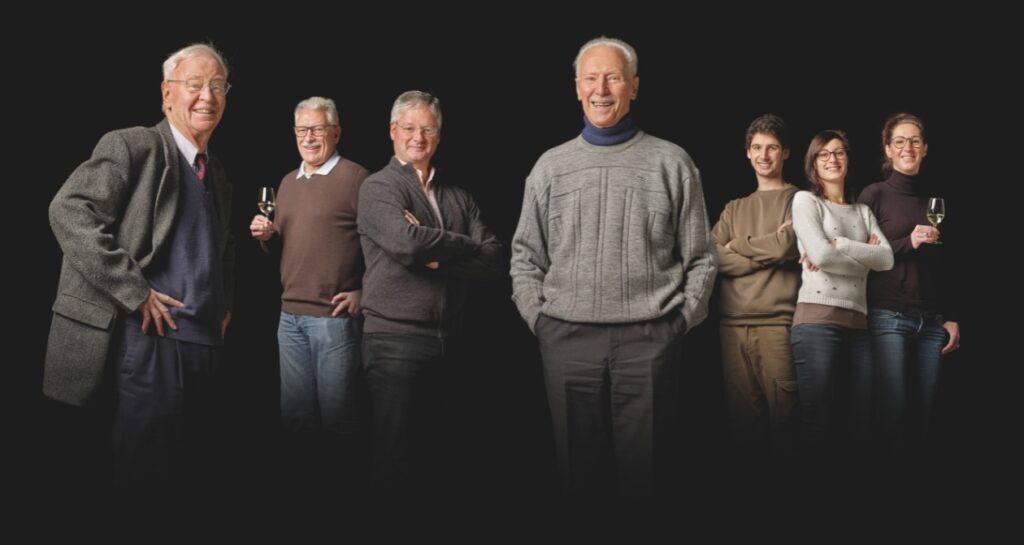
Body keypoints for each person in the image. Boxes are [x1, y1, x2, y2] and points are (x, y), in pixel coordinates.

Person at [510, 37, 717, 497]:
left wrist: (679, 322)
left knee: (647, 477)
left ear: (634, 87)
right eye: (590, 78)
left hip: (649, 339)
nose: (601, 89)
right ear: (576, 88)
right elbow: (524, 255)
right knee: (577, 479)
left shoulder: (672, 162)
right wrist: (539, 320)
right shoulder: (550, 167)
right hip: (565, 339)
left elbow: (701, 257)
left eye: (613, 77)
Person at [44, 43, 235, 483]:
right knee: (146, 471)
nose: (208, 96)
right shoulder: (135, 145)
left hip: (206, 342)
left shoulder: (218, 172)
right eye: (194, 85)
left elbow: (222, 247)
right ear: (167, 93)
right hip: (152, 340)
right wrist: (135, 291)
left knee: (195, 470)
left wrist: (226, 305)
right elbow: (68, 210)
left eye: (218, 86)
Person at [357, 90, 503, 494]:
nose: (418, 137)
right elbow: (406, 245)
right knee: (394, 459)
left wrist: (436, 252)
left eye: (427, 129)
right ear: (393, 132)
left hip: (452, 340)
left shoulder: (458, 195)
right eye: (409, 128)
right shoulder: (378, 188)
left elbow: (493, 258)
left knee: (443, 456)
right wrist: (459, 243)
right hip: (394, 342)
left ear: (438, 136)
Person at [250, 97, 370, 477]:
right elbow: (288, 247)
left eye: (318, 128)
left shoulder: (357, 179)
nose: (309, 137)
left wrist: (364, 293)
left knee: (339, 423)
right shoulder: (288, 181)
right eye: (302, 129)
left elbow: (384, 245)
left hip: (334, 322)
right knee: (296, 423)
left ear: (336, 132)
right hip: (290, 320)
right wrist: (265, 235)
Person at [857, 113, 960, 452]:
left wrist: (950, 316)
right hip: (889, 317)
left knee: (925, 418)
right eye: (899, 141)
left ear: (925, 149)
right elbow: (859, 255)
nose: (908, 147)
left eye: (915, 141)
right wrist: (907, 243)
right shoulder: (874, 195)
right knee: (892, 417)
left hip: (931, 323)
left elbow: (946, 266)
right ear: (888, 150)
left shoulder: (934, 201)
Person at [790, 129, 893, 454]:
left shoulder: (863, 212)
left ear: (848, 159)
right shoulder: (806, 201)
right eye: (824, 154)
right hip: (816, 324)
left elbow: (887, 258)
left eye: (839, 152)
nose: (832, 159)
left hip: (859, 329)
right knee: (818, 422)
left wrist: (844, 245)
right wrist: (865, 255)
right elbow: (820, 256)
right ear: (813, 163)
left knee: (860, 423)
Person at [712, 114, 800, 456]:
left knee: (786, 425)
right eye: (757, 148)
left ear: (786, 153)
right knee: (744, 430)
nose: (764, 156)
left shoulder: (799, 201)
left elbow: (788, 246)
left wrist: (737, 246)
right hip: (731, 328)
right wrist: (770, 248)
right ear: (747, 153)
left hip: (778, 327)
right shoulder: (734, 208)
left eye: (772, 148)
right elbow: (711, 258)